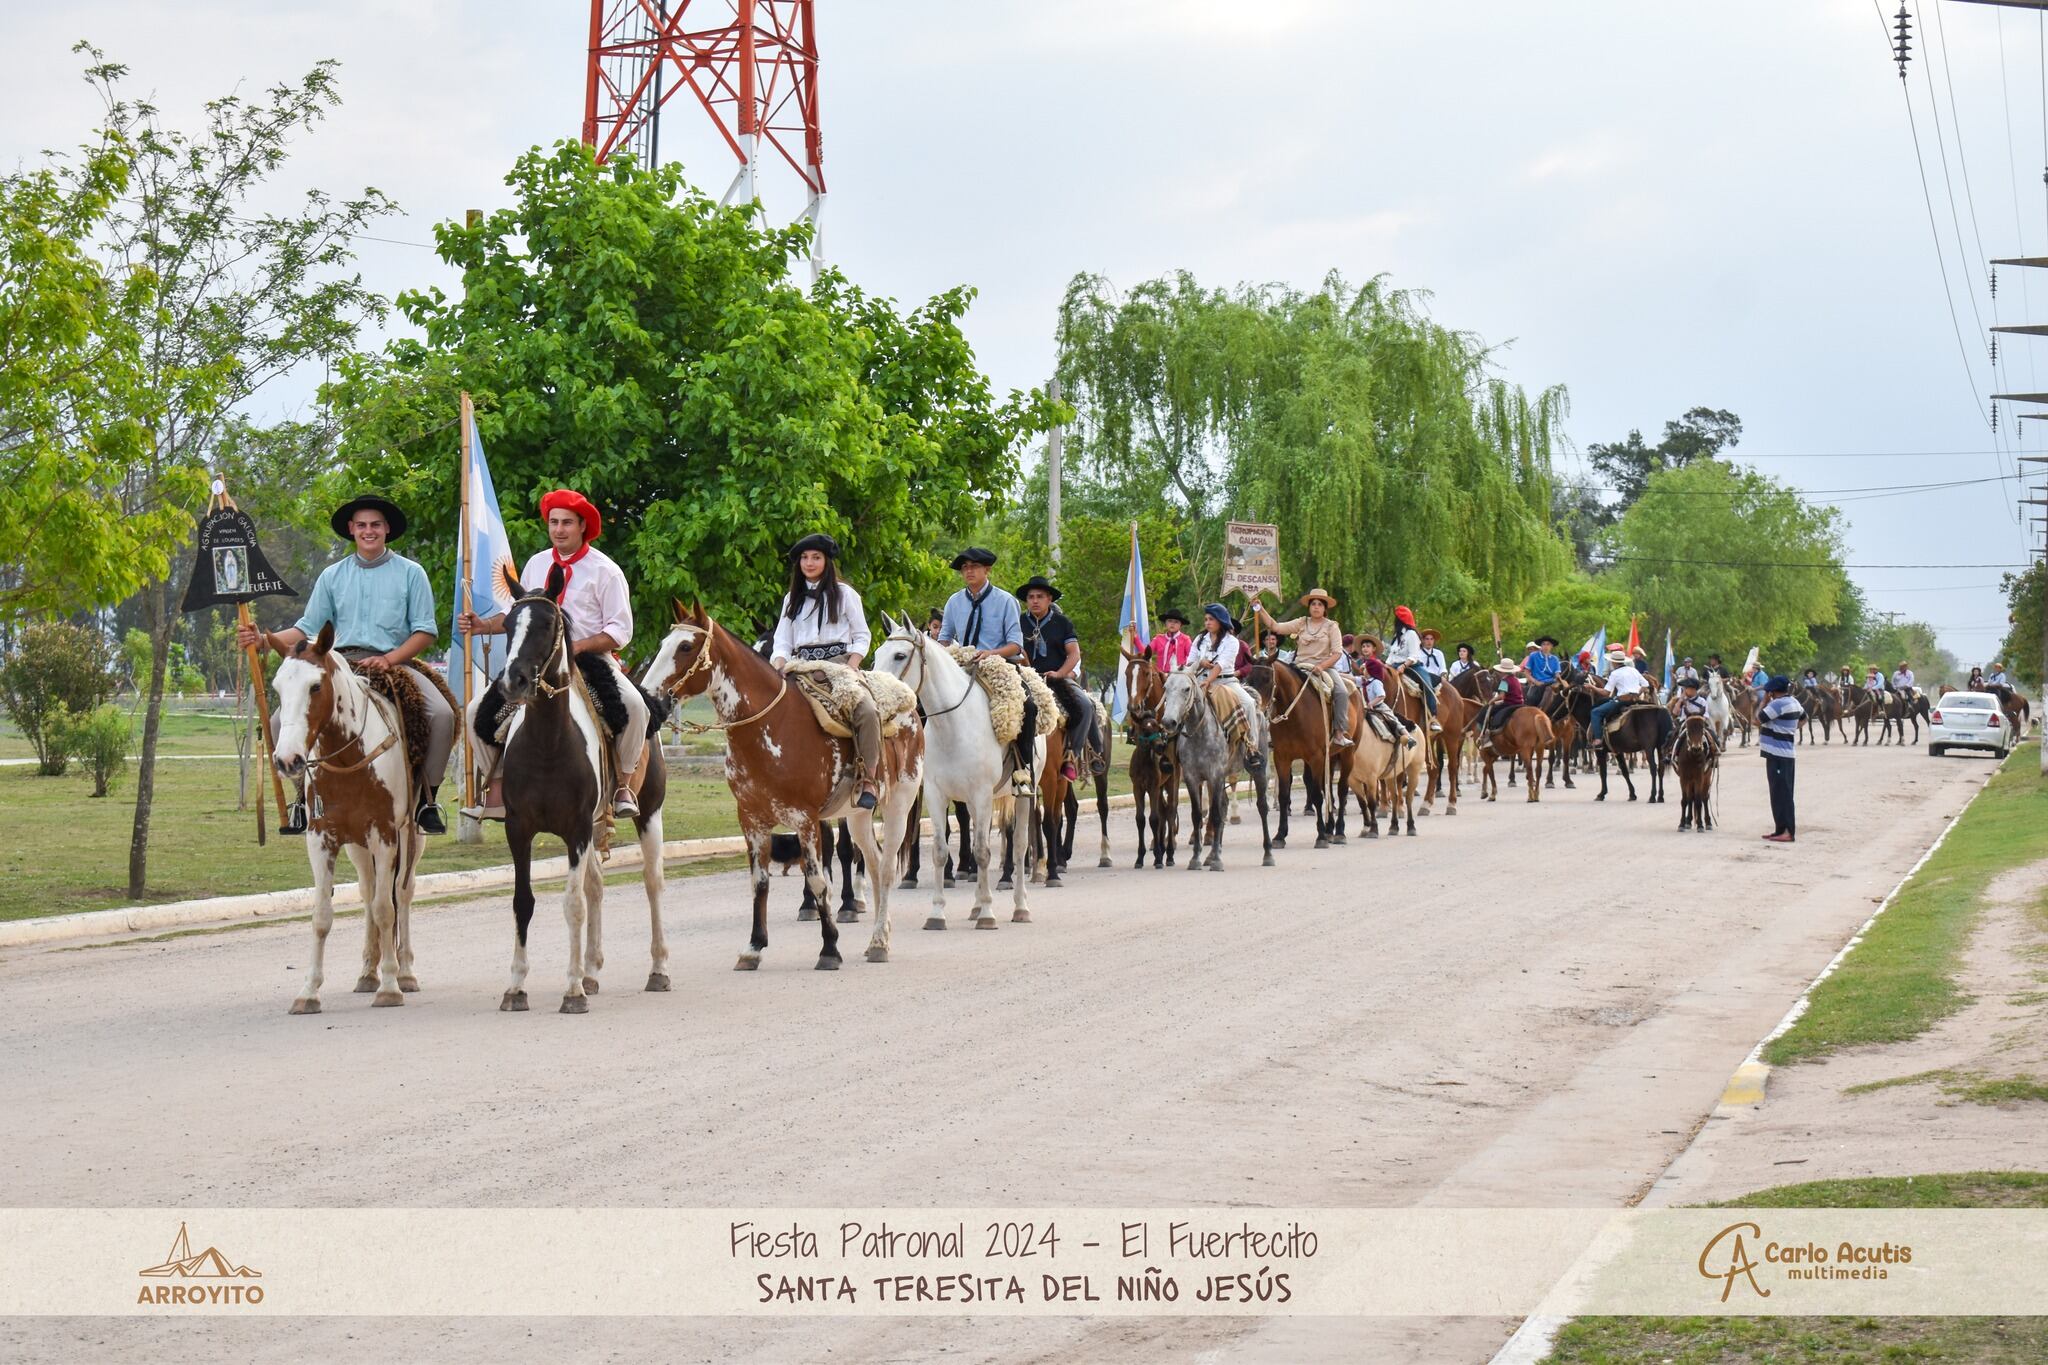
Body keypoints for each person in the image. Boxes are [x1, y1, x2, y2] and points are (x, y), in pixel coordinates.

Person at [242, 494, 451, 835]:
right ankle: (300, 800)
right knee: (280, 721)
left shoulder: (412, 573)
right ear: (352, 530)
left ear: (386, 530)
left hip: (394, 663)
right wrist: (263, 640)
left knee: (443, 715)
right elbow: (307, 628)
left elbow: (425, 631)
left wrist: (388, 658)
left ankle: (427, 800)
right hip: (339, 662)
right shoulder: (332, 576)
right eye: (362, 525)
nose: (369, 531)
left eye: (376, 525)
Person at [461, 488, 649, 819]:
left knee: (635, 707)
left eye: (566, 523)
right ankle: (498, 788)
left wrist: (575, 646)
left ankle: (624, 784)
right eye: (553, 522)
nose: (559, 529)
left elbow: (621, 631)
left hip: (589, 660)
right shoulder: (536, 563)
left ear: (582, 527)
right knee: (476, 710)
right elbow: (516, 614)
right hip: (536, 662)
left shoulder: (606, 571)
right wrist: (483, 625)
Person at [765, 533, 880, 811]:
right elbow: (782, 641)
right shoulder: (791, 599)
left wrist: (852, 665)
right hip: (800, 666)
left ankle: (869, 780)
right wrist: (779, 665)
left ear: (827, 561)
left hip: (840, 665)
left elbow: (862, 636)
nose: (809, 562)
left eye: (815, 557)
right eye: (804, 558)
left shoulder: (846, 594)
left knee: (866, 711)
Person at [1019, 575, 1096, 782]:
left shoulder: (1062, 623)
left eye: (1040, 596)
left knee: (1085, 705)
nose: (1035, 600)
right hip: (1025, 678)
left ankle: (1071, 755)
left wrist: (1060, 673)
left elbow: (1074, 654)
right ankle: (1014, 760)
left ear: (1049, 599)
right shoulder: (1018, 622)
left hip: (1057, 678)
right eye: (1031, 597)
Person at [1256, 588, 1353, 748]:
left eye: (1319, 604)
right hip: (1299, 666)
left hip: (1324, 668)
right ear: (1309, 606)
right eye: (1313, 604)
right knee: (1276, 686)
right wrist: (1260, 609)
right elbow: (1276, 627)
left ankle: (1339, 732)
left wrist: (1321, 666)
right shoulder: (1301, 622)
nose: (1316, 607)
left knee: (1341, 692)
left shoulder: (1332, 627)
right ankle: (1273, 730)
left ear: (1325, 608)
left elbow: (1336, 654)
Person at [938, 547, 1024, 661]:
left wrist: (990, 653)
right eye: (965, 567)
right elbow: (944, 638)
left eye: (974, 566)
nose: (969, 571)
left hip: (998, 666)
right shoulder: (954, 601)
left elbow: (1016, 646)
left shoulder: (1006, 601)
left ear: (987, 569)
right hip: (963, 663)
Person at [1188, 603, 1259, 735]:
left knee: (1249, 703)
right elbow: (1190, 662)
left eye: (1211, 619)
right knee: (1176, 702)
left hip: (1226, 682)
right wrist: (1200, 663)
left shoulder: (1232, 641)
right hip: (1200, 680)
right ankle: (1168, 740)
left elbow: (1220, 665)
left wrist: (1208, 681)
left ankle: (1252, 746)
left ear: (1220, 621)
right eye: (1206, 619)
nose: (1207, 623)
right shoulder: (1199, 639)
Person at [1758, 675, 1803, 844]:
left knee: (1781, 794)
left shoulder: (1777, 704)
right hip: (1786, 754)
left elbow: (1759, 719)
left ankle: (1787, 832)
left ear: (1772, 691)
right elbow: (1803, 719)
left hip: (1778, 755)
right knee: (1782, 793)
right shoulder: (1794, 702)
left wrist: (1764, 702)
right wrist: (1789, 730)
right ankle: (1780, 829)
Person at [1384, 605, 1442, 733]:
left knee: (1427, 685)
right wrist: (1385, 666)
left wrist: (1404, 665)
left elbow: (1414, 655)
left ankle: (1432, 718)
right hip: (1393, 666)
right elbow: (1392, 655)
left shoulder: (1412, 634)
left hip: (1412, 666)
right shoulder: (1396, 636)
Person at [1589, 646, 1648, 751]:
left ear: (1614, 663)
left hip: (1621, 701)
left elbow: (1606, 693)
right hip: (1635, 700)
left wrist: (1592, 687)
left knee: (1595, 712)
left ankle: (1598, 740)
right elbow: (1645, 684)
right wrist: (1636, 694)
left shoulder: (1615, 673)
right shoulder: (1633, 670)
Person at [1667, 675, 1721, 758]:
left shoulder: (1702, 701)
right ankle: (1671, 752)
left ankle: (1715, 750)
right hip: (1684, 723)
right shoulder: (1682, 701)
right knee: (1673, 735)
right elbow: (1675, 713)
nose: (1684, 691)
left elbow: (1706, 715)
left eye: (1686, 689)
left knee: (1711, 734)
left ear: (1693, 689)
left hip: (1699, 723)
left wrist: (1698, 719)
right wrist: (1680, 700)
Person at [1146, 607, 1194, 674]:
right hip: (1161, 676)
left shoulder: (1185, 639)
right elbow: (1146, 653)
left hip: (1179, 676)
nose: (1172, 624)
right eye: (1170, 621)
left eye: (1176, 622)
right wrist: (1136, 638)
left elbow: (1192, 657)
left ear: (1181, 625)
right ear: (1165, 623)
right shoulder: (1158, 639)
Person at [1482, 658, 1525, 731]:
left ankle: (1487, 730)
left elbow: (1501, 696)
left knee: (1488, 710)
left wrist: (1492, 700)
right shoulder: (1515, 679)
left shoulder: (1504, 681)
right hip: (1520, 703)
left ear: (1502, 671)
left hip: (1509, 704)